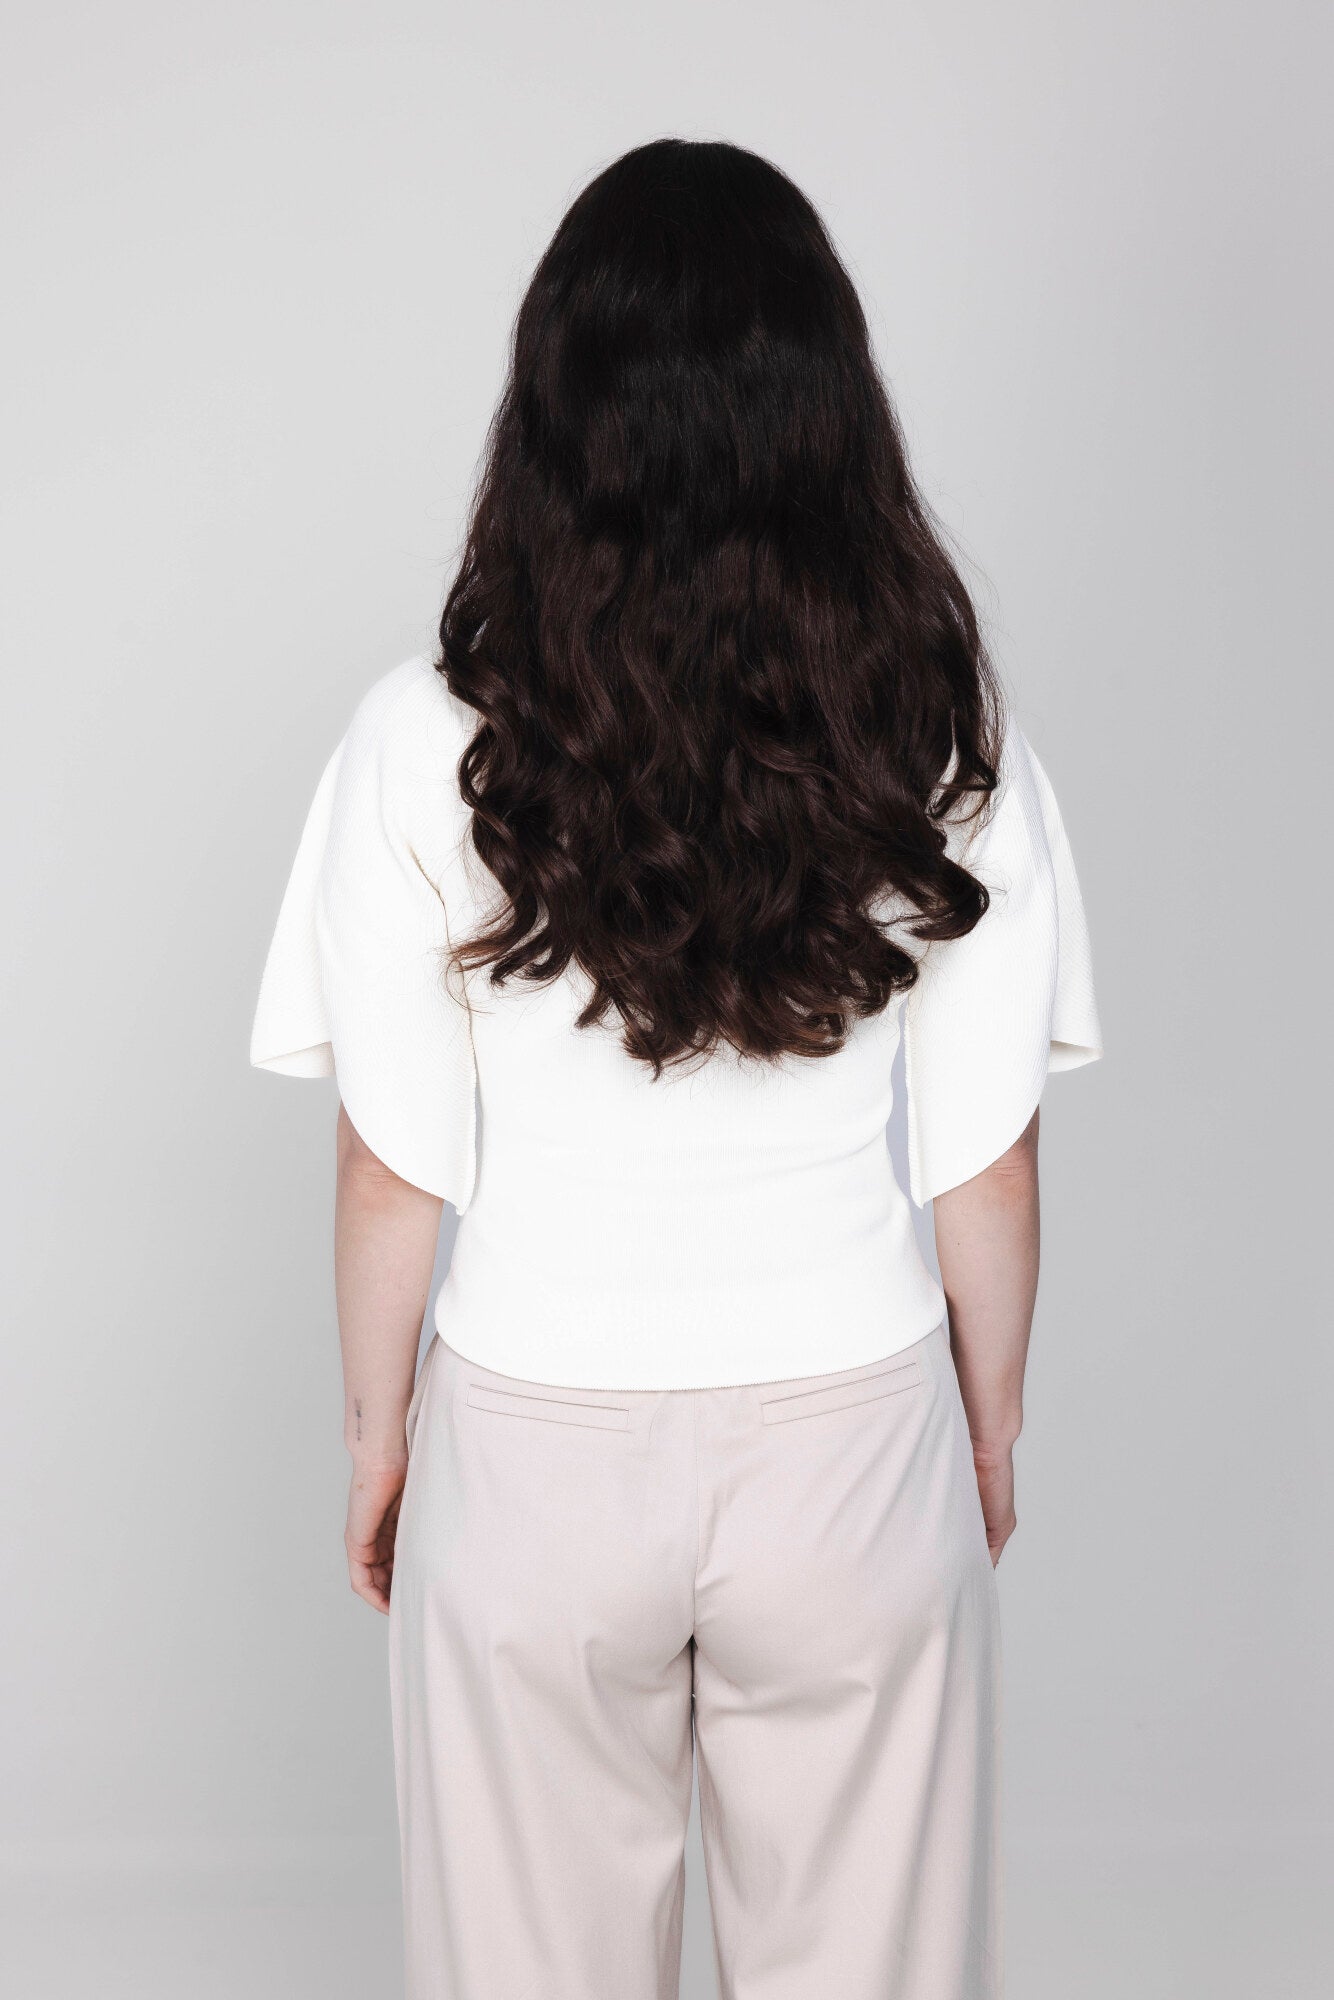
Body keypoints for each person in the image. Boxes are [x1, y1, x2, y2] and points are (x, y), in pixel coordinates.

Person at [251, 138, 1101, 2000]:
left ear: (554, 420)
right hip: (851, 1440)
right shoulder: (936, 728)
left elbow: (395, 1167)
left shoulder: (421, 742)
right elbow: (987, 1157)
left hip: (532, 1450)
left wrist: (380, 1446)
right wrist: (986, 1429)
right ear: (829, 421)